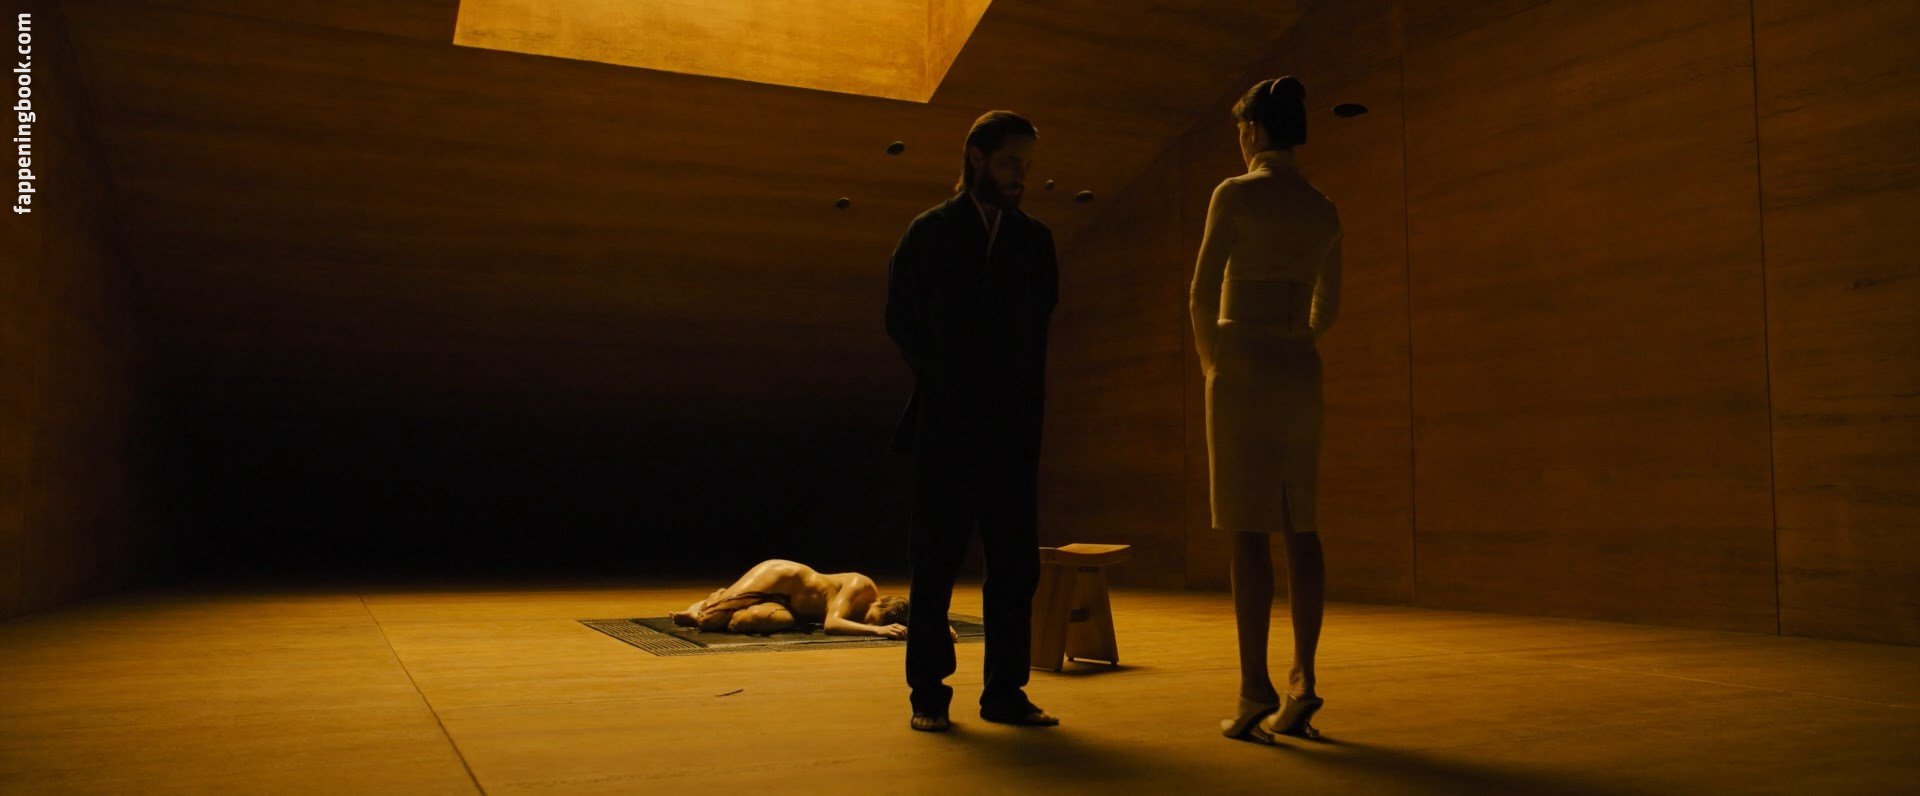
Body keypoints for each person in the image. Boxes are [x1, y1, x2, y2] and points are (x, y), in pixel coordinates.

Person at [884, 110, 1060, 733]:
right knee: (934, 566)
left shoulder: (1035, 241)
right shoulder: (929, 232)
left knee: (1015, 567)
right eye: (1011, 162)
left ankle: (1005, 693)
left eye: (1027, 165)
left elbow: (1038, 331)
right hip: (948, 426)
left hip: (1013, 429)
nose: (1021, 176)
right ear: (977, 158)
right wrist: (944, 380)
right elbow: (900, 318)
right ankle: (928, 694)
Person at [1190, 76, 1342, 744]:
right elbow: (1328, 305)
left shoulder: (1235, 192)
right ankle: (1303, 678)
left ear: (1252, 130)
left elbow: (1200, 293)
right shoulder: (1322, 207)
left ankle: (1254, 687)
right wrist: (1295, 339)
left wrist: (1214, 361)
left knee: (1245, 527)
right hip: (1298, 366)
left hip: (1241, 362)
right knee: (1300, 521)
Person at [671, 559, 914, 637]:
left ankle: (724, 605)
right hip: (781, 578)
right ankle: (713, 602)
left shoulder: (870, 613)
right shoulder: (861, 585)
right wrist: (877, 631)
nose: (867, 623)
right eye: (873, 618)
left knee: (744, 622)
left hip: (790, 608)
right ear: (881, 603)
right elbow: (832, 624)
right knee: (707, 622)